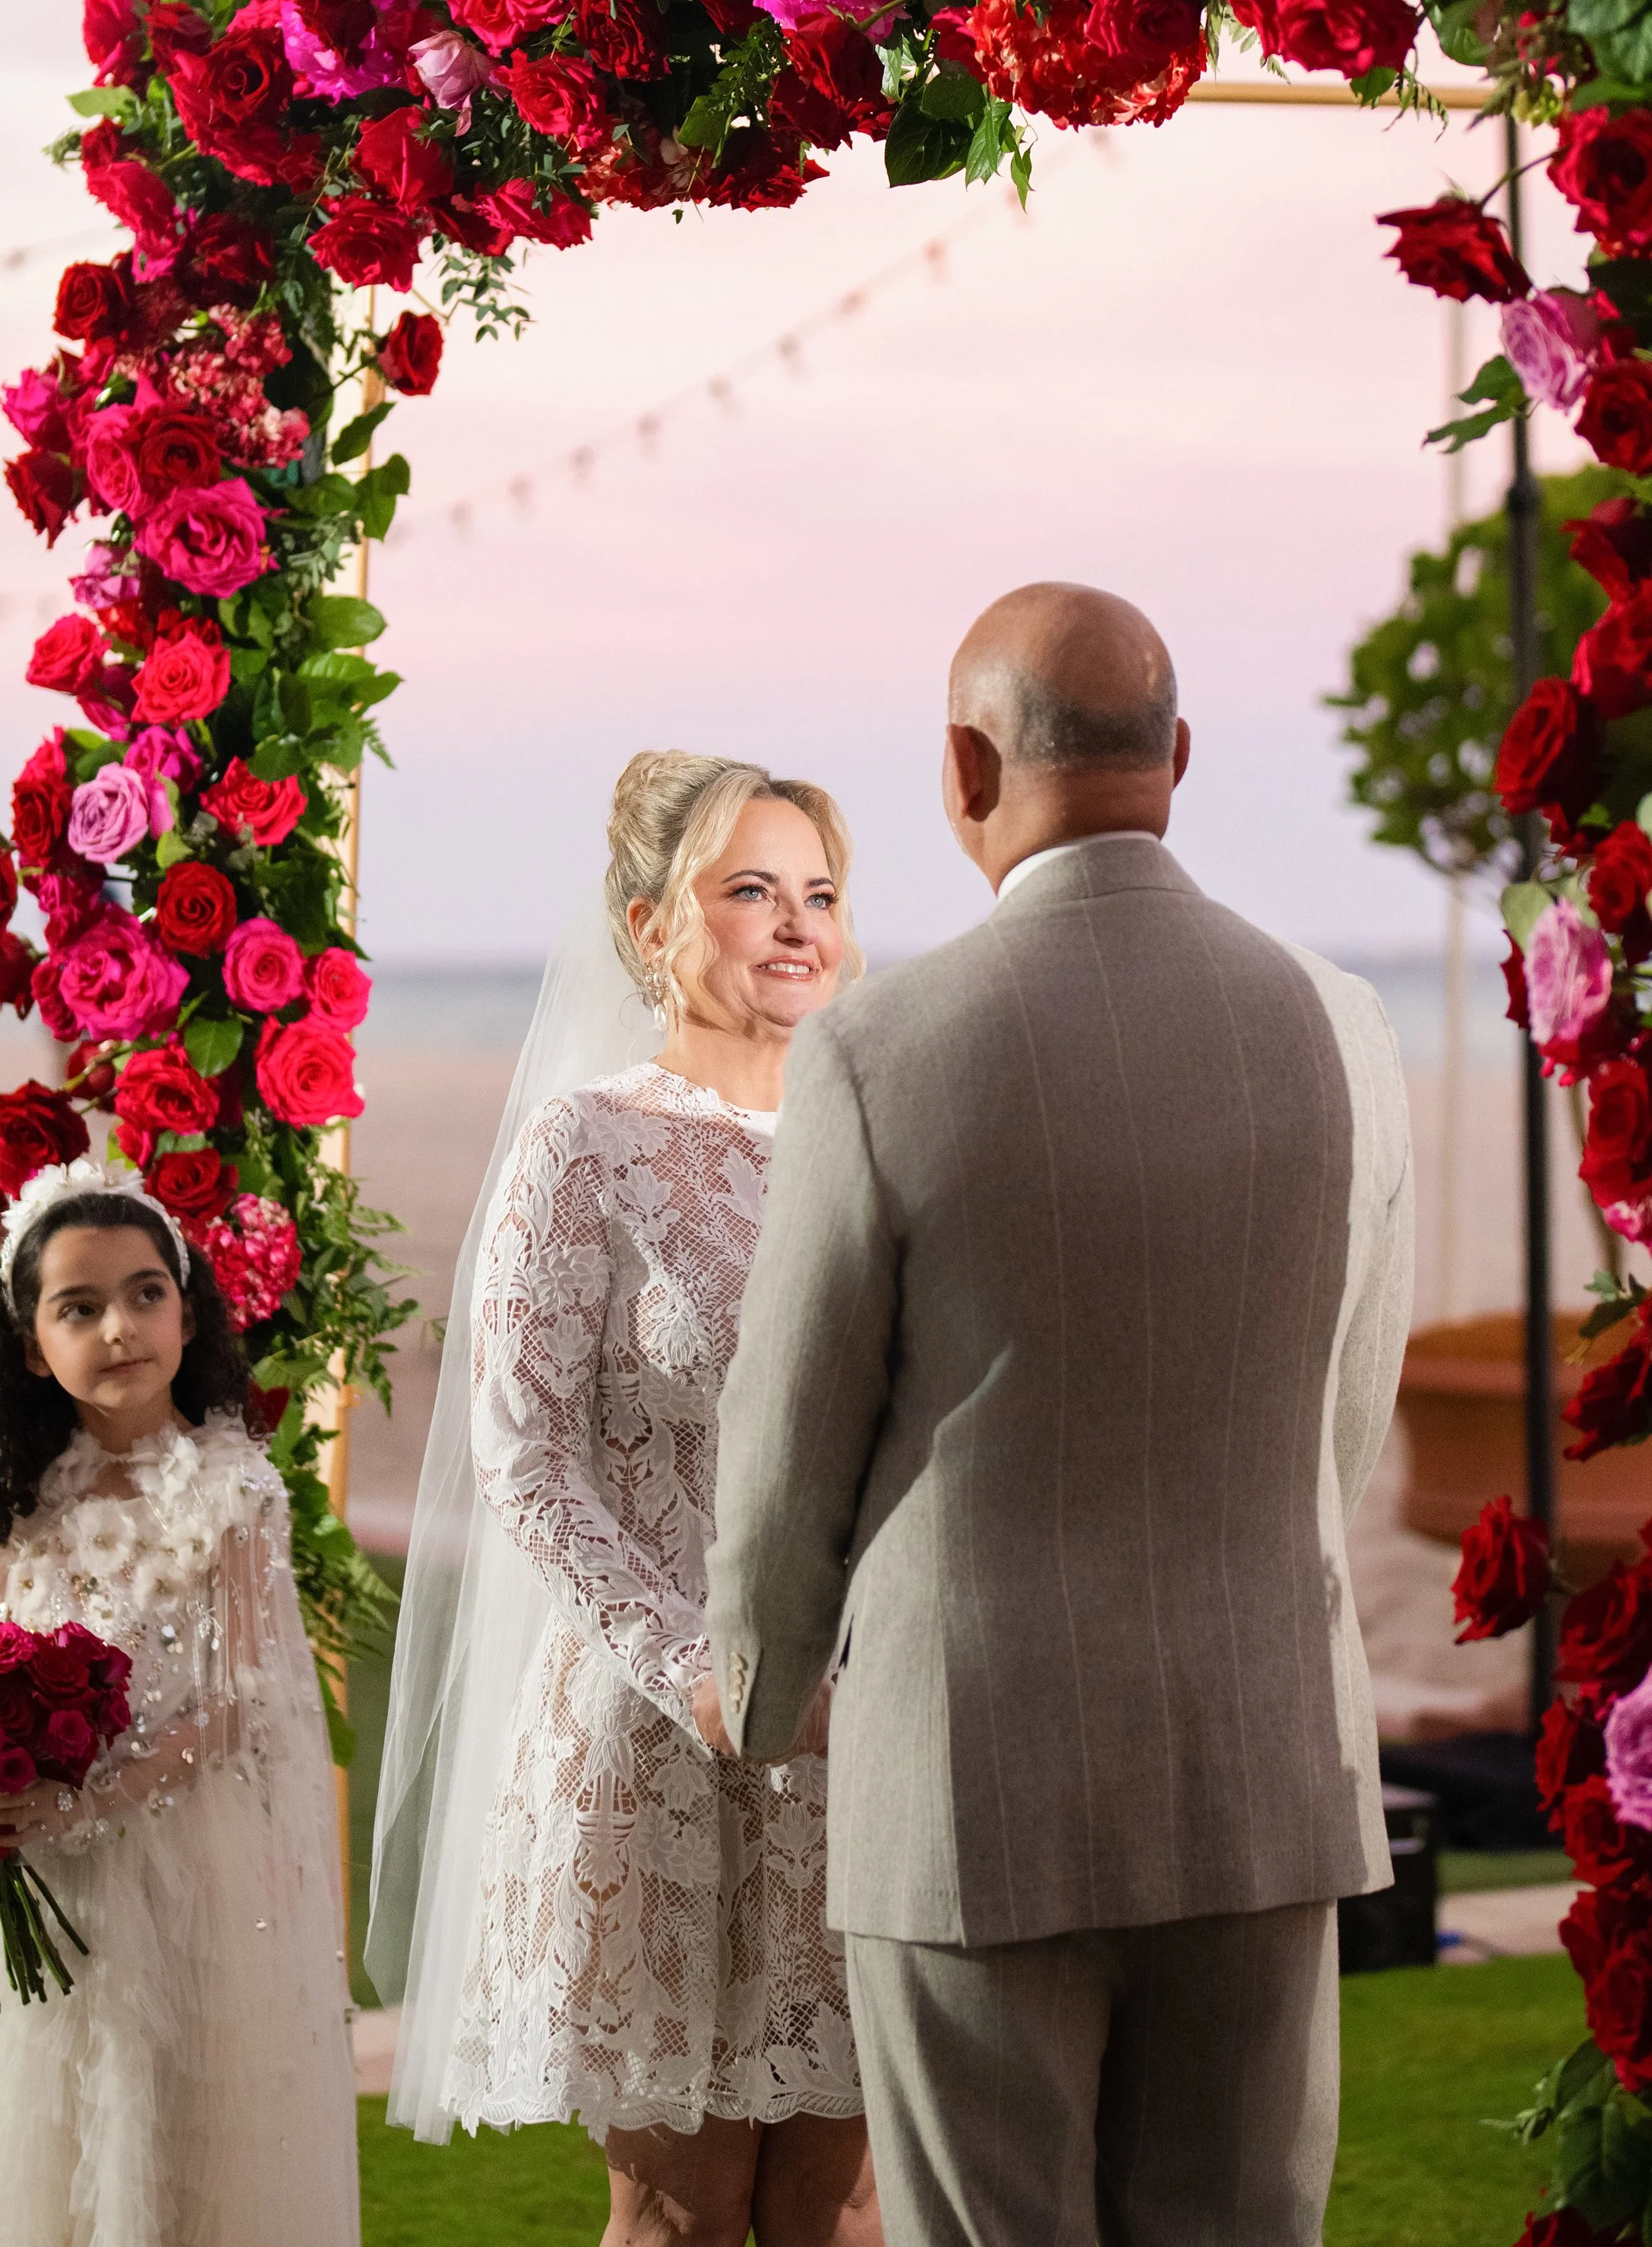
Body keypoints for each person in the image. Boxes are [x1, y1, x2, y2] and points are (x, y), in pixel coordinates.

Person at [707, 585, 1415, 2247]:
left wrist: (757, 1696)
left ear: (963, 765)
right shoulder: (1347, 1025)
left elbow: (787, 1435)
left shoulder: (880, 1047)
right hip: (1261, 1753)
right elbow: (1345, 1405)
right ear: (1176, 758)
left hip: (972, 1775)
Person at [371, 754, 883, 2247]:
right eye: (749, 893)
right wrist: (693, 1675)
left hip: (852, 1748)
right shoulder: (584, 1143)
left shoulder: (868, 1145)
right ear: (657, 923)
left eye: (818, 896)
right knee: (677, 2211)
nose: (794, 927)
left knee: (834, 2202)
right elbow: (523, 1455)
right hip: (657, 1750)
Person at [0, 1159, 361, 2247]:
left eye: (146, 1292)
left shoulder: (234, 1488)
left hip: (181, 1864)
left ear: (186, 1304)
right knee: (31, 2132)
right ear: (30, 1345)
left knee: (169, 2129)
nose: (121, 1326)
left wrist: (84, 1802)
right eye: (80, 1306)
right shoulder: (10, 1501)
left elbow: (238, 1697)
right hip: (37, 1866)